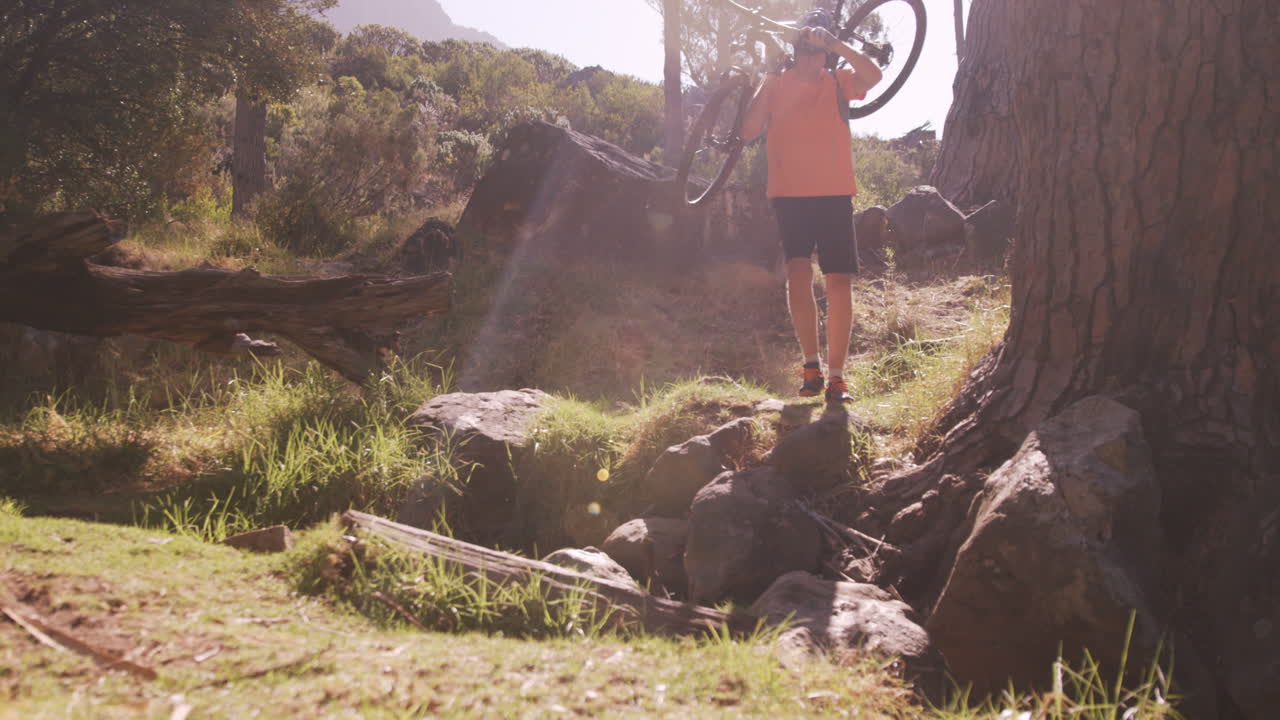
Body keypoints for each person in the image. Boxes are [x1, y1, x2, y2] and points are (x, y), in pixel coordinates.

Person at [739, 8, 882, 403]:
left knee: (838, 281)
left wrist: (835, 43)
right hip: (790, 194)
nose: (811, 59)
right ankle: (811, 367)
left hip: (834, 192)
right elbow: (748, 130)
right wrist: (767, 77)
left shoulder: (838, 81)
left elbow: (874, 76)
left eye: (818, 52)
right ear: (794, 52)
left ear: (826, 56)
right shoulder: (776, 83)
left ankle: (837, 377)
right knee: (798, 273)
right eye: (805, 51)